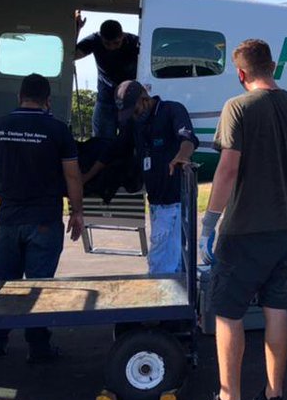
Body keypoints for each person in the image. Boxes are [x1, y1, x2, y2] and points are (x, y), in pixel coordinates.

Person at [182, 40, 287, 400]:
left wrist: (209, 221)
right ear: (273, 66)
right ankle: (273, 397)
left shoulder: (237, 107)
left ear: (241, 74)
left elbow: (227, 169)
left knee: (227, 311)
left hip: (246, 229)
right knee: (276, 309)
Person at [0, 73, 85, 363]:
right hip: (45, 220)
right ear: (48, 101)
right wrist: (77, 212)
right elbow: (72, 175)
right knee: (40, 287)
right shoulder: (58, 129)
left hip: (9, 219)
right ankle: (38, 347)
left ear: (19, 97)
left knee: (5, 286)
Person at [80, 80, 199, 273]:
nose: (132, 116)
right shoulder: (135, 124)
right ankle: (181, 297)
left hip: (175, 200)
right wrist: (87, 176)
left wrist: (181, 156)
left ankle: (169, 300)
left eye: (133, 110)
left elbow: (188, 138)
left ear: (144, 99)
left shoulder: (171, 110)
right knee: (171, 261)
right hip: (156, 202)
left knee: (163, 267)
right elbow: (115, 150)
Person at [74, 13, 139, 139]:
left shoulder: (134, 42)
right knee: (101, 143)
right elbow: (73, 54)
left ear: (123, 36)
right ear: (101, 38)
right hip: (106, 99)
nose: (112, 47)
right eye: (107, 44)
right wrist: (77, 30)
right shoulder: (94, 40)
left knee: (131, 141)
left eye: (116, 43)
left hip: (130, 100)